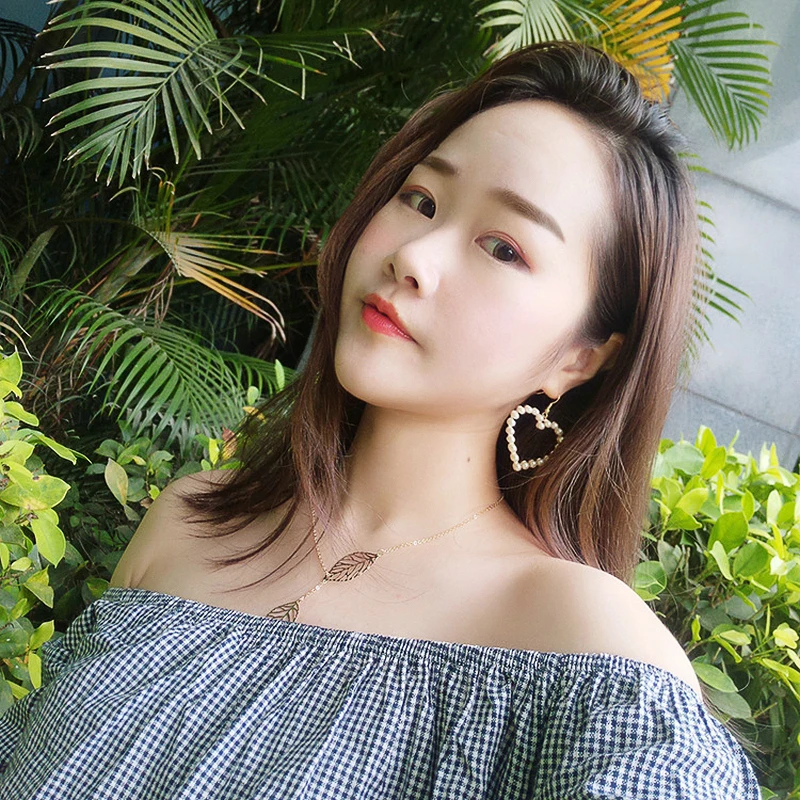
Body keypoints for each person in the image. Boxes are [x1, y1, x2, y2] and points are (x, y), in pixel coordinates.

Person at [0, 41, 762, 799]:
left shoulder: (586, 649)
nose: (415, 257)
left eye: (503, 247)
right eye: (421, 200)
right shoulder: (188, 524)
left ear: (580, 357)